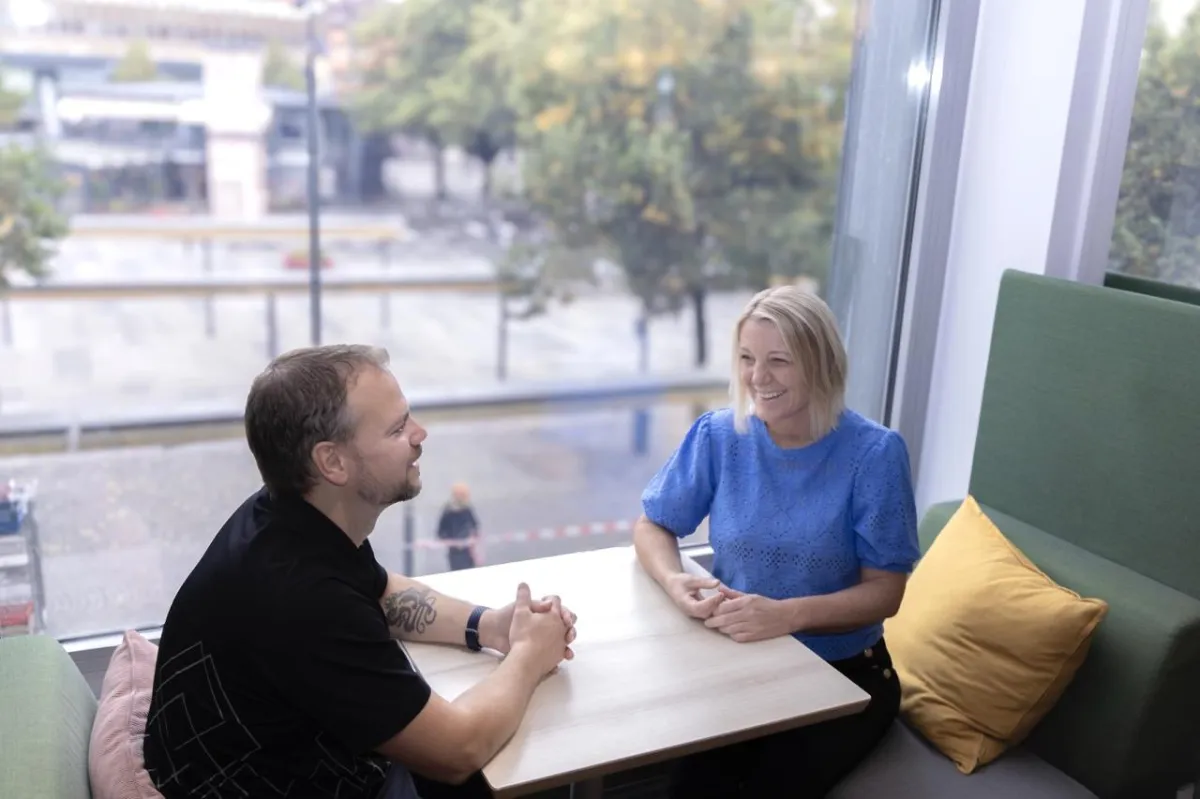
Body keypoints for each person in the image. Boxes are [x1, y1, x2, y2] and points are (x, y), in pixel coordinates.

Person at [143, 345, 577, 799]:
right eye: (397, 429)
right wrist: (530, 655)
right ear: (332, 462)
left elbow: (379, 591)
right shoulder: (301, 598)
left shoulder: (288, 517)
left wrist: (489, 625)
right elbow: (457, 751)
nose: (420, 434)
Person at [633, 285, 920, 799]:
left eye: (779, 361)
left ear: (821, 364)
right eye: (746, 358)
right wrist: (676, 581)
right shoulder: (719, 436)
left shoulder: (874, 454)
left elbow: (887, 593)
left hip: (846, 673)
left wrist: (786, 615)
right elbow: (653, 524)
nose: (757, 378)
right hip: (743, 664)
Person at [437, 483, 479, 571]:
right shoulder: (448, 511)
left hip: (467, 551)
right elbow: (441, 530)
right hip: (454, 551)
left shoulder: (467, 510)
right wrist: (451, 541)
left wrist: (471, 538)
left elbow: (475, 526)